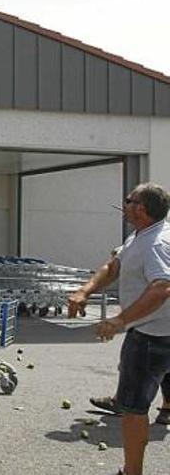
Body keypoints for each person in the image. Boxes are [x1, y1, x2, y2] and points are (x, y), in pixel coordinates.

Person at [72, 183, 170, 475]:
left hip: (153, 338)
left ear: (140, 209)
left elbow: (162, 287)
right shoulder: (141, 235)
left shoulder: (157, 243)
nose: (124, 205)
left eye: (129, 201)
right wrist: (85, 291)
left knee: (133, 410)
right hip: (154, 334)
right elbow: (113, 265)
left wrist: (119, 320)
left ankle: (132, 472)